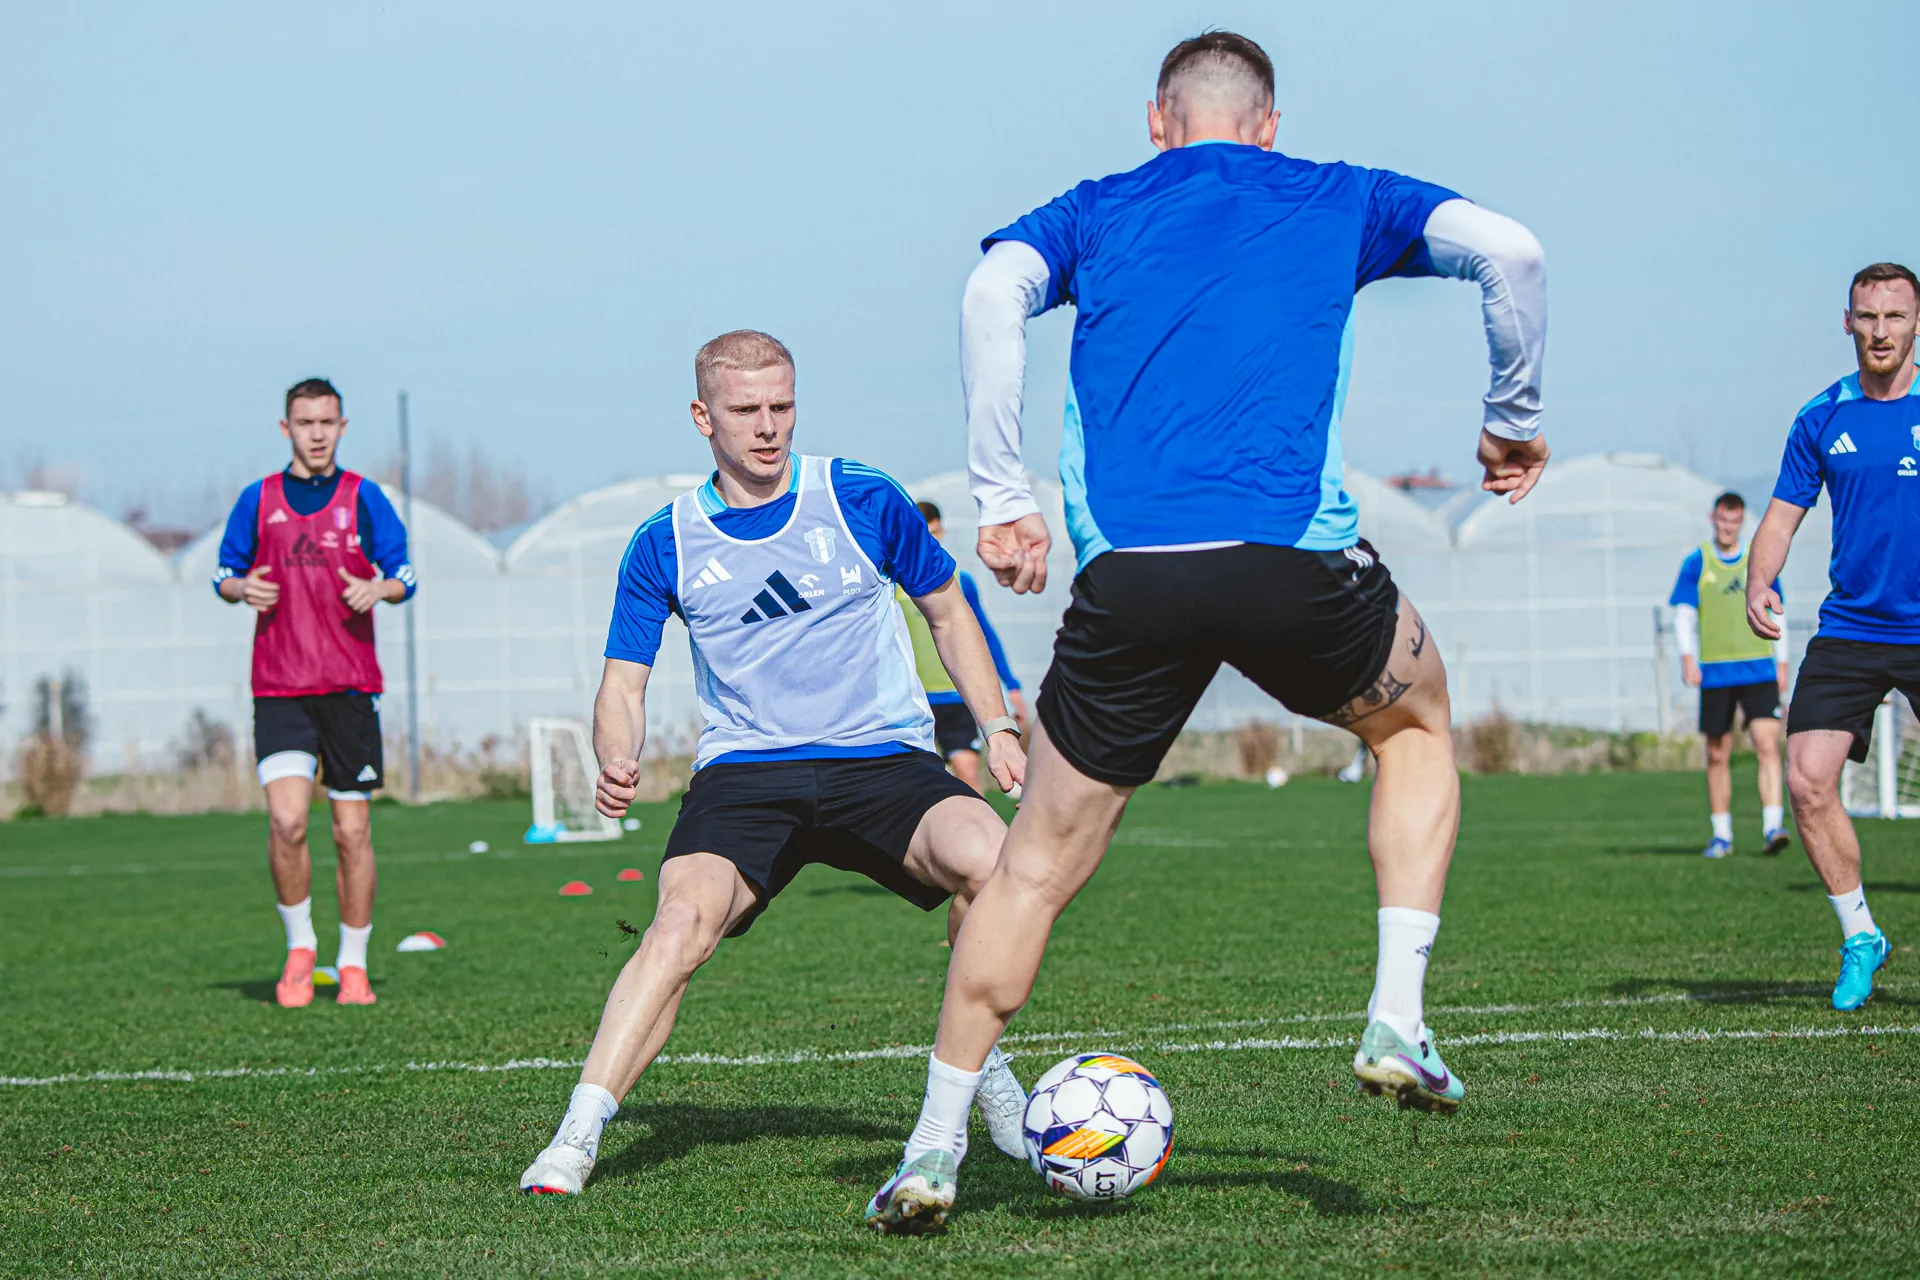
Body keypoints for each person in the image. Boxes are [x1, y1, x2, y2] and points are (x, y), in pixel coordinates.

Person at [869, 30, 1550, 1232]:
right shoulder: (1341, 196)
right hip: (1293, 559)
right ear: (1269, 123)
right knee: (1415, 725)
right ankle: (1397, 1013)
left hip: (1134, 580)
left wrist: (1005, 494)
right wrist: (1511, 413)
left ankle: (932, 1146)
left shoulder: (1097, 210)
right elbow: (1512, 249)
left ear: (1158, 121)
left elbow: (991, 291)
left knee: (1034, 866)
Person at [518, 331, 1031, 1196]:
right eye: (746, 409)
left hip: (881, 761)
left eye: (781, 406)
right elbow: (623, 682)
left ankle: (983, 1068)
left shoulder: (861, 496)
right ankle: (576, 1137)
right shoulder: (664, 541)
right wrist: (617, 755)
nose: (768, 427)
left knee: (998, 865)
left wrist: (998, 726)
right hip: (747, 775)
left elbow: (948, 613)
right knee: (679, 927)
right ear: (702, 416)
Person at [1747, 261, 1920, 1012]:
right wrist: (1760, 580)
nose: (1881, 331)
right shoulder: (1821, 416)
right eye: (1867, 316)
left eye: (1895, 316)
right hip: (1851, 627)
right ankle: (1861, 935)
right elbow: (1781, 517)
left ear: (1917, 324)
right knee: (1807, 779)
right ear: (1847, 323)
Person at [213, 377, 416, 1010]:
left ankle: (352, 961)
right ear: (287, 429)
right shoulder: (258, 499)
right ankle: (301, 948)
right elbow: (224, 574)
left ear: (342, 427)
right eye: (306, 423)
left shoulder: (364, 497)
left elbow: (404, 574)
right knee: (287, 821)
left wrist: (378, 588)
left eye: (328, 422)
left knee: (352, 833)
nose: (318, 434)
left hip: (351, 690)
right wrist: (241, 588)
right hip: (280, 689)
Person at [1669, 491, 1791, 858]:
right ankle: (1721, 834)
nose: (1728, 527)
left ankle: (1772, 827)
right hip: (1716, 672)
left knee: (1767, 745)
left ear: (1741, 522)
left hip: (1758, 668)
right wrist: (1687, 658)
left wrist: (1783, 661)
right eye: (1723, 519)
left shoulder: (1758, 560)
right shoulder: (1697, 562)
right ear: (1713, 518)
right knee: (1717, 753)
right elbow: (1684, 615)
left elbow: (1777, 609)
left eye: (1734, 521)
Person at [896, 500, 1027, 793]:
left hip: (956, 697)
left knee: (968, 775)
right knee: (913, 787)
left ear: (941, 531)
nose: (928, 540)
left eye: (933, 532)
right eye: (922, 533)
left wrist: (1012, 686)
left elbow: (984, 634)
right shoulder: (890, 583)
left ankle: (979, 823)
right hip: (912, 699)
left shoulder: (960, 581)